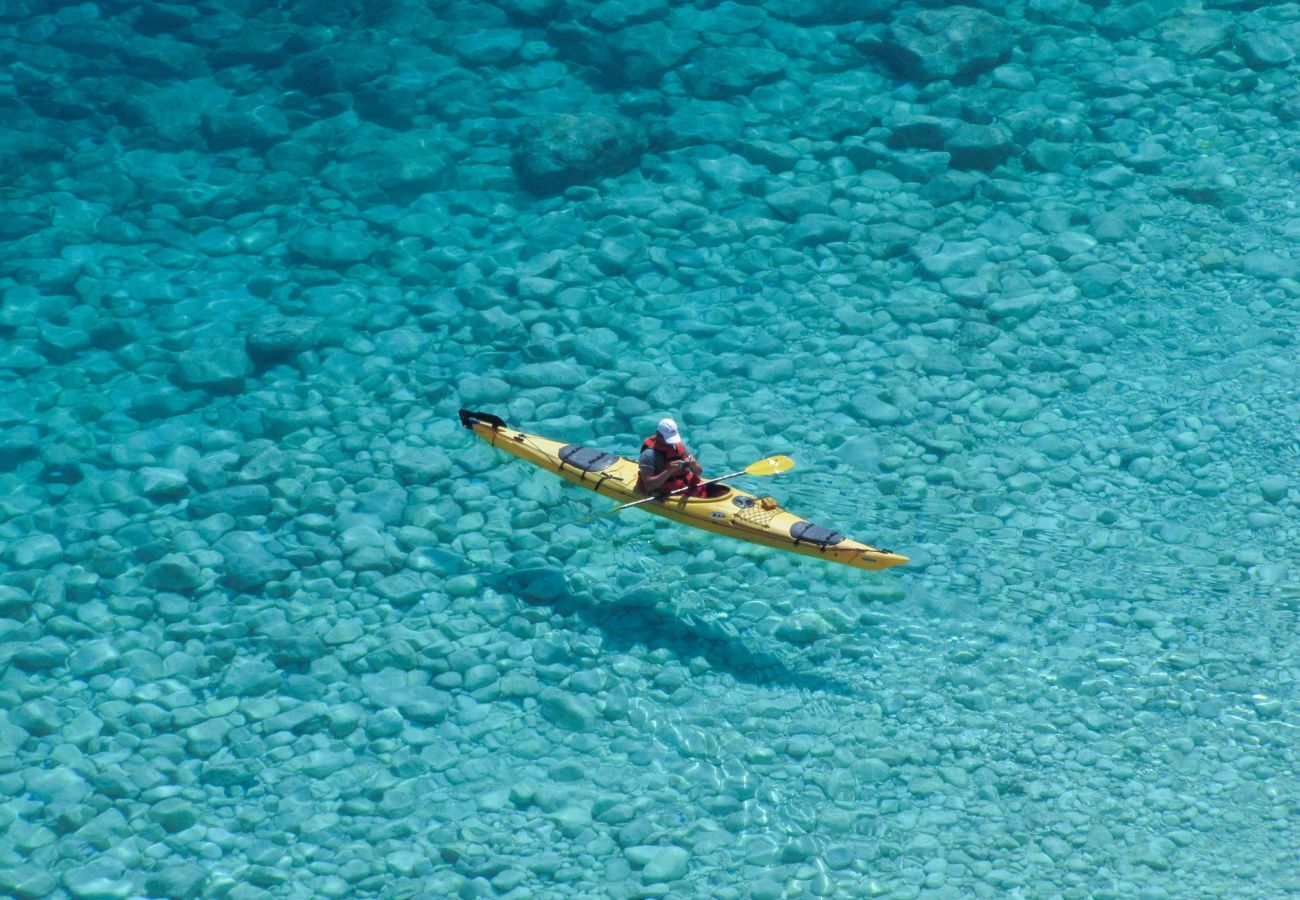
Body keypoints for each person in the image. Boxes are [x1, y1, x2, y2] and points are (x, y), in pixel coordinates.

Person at [638, 417, 705, 496]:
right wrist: (669, 471)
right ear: (658, 434)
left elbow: (699, 472)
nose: (672, 442)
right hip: (665, 491)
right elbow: (648, 486)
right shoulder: (648, 455)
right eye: (668, 438)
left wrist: (694, 466)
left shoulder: (680, 446)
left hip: (684, 486)